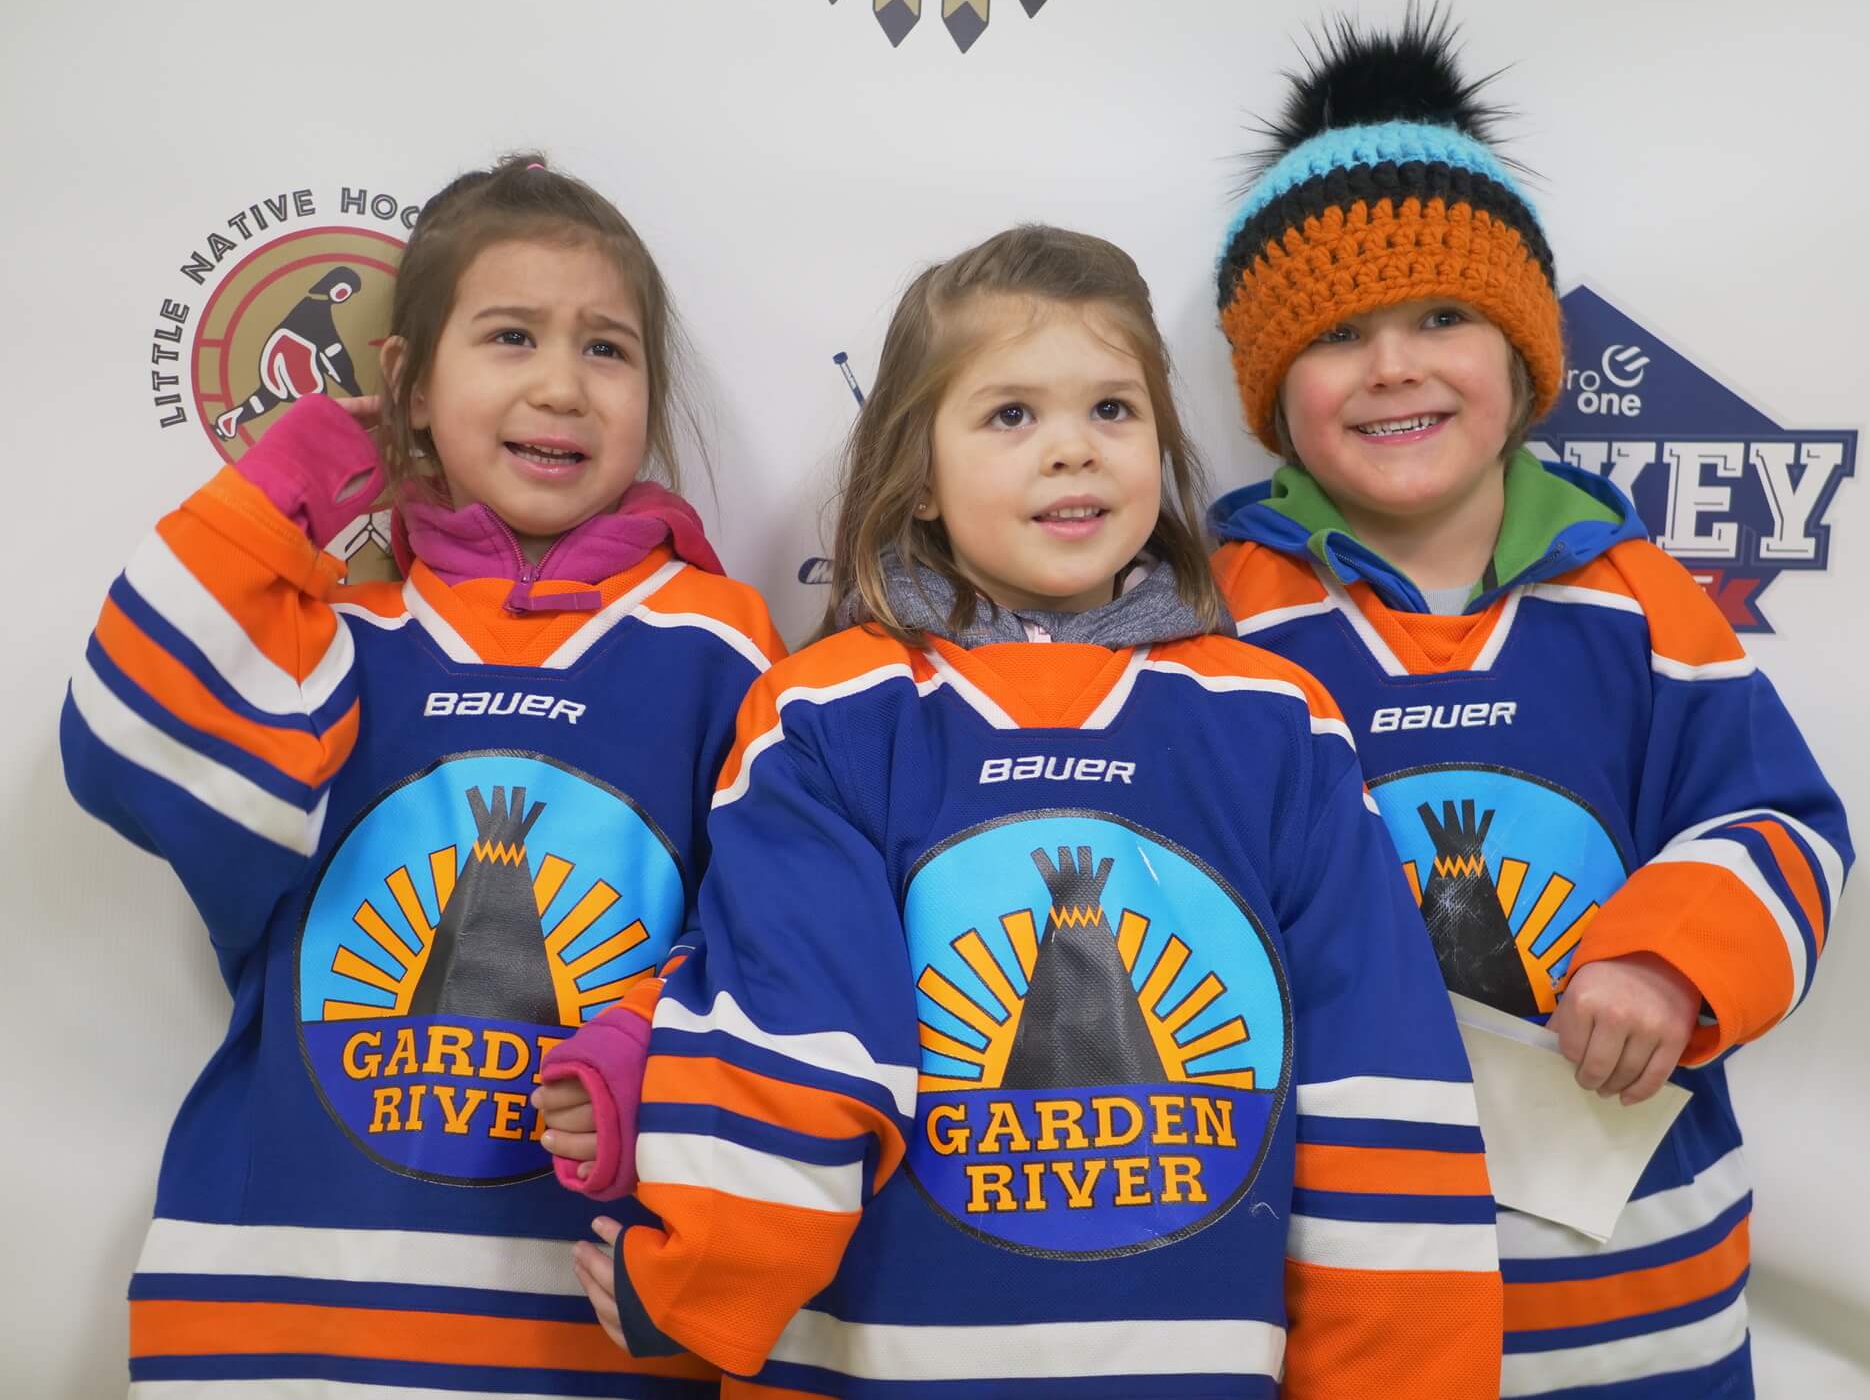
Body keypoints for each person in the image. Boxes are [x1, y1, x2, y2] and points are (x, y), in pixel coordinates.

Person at [537, 224, 1502, 1397]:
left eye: (1112, 410)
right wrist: (700, 1277)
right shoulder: (830, 712)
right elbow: (797, 1027)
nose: (1071, 453)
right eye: (1010, 417)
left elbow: (1381, 1081)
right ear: (920, 479)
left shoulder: (1276, 724)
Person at [1208, 5, 1853, 1397]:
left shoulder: (1634, 599)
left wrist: (1674, 959)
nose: (1395, 365)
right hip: (1337, 1293)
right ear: (1269, 383)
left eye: (1443, 314)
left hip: (1638, 1291)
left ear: (1521, 348)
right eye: (1338, 331)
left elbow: (1785, 825)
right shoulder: (1221, 619)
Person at [61, 153, 780, 1395]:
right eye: (511, 336)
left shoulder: (720, 641)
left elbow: (774, 957)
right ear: (410, 380)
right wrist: (293, 483)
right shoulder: (335, 628)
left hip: (580, 1333)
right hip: (279, 1313)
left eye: (607, 350)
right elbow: (122, 741)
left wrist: (644, 1057)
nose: (561, 385)